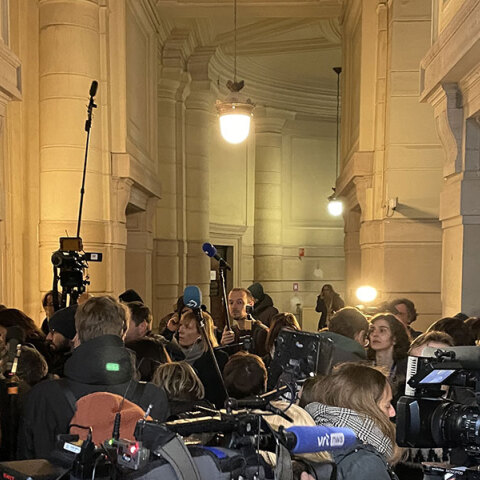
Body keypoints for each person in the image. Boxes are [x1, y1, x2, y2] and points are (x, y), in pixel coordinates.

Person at [18, 296, 169, 459]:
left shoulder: (44, 397)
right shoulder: (153, 398)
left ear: (77, 334)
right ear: (123, 333)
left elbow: (27, 464)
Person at [305, 363, 400, 480]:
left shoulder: (317, 440)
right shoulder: (366, 464)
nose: (393, 412)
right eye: (387, 405)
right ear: (368, 409)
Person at [171, 310, 228, 408]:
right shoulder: (173, 355)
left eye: (187, 327)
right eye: (180, 325)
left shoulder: (217, 359)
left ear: (201, 333)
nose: (180, 330)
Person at [367, 313, 410, 402]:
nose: (375, 334)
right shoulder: (363, 364)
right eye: (372, 330)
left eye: (382, 330)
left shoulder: (407, 368)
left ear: (395, 338)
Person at [220, 288, 269, 357]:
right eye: (231, 303)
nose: (234, 307)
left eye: (239, 302)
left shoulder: (261, 332)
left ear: (250, 304)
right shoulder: (230, 332)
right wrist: (223, 345)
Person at [46, 304, 77, 376]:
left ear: (68, 333)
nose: (48, 337)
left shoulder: (72, 368)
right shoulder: (59, 359)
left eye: (53, 332)